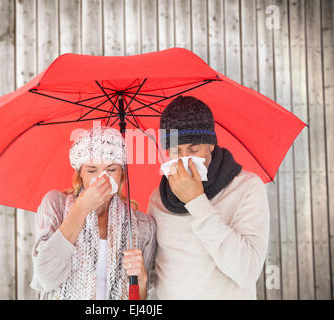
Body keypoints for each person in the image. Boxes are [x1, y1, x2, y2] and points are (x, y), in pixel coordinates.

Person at [147, 95, 270, 299]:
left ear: (210, 145)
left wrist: (196, 202)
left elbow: (247, 271)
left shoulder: (246, 187)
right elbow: (152, 275)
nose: (185, 158)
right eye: (176, 151)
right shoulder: (158, 199)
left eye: (193, 149)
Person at [30, 125, 156, 300]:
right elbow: (45, 277)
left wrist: (141, 282)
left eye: (111, 169)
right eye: (92, 170)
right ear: (80, 173)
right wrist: (81, 208)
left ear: (122, 174)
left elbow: (141, 304)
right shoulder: (56, 205)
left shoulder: (142, 226)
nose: (103, 178)